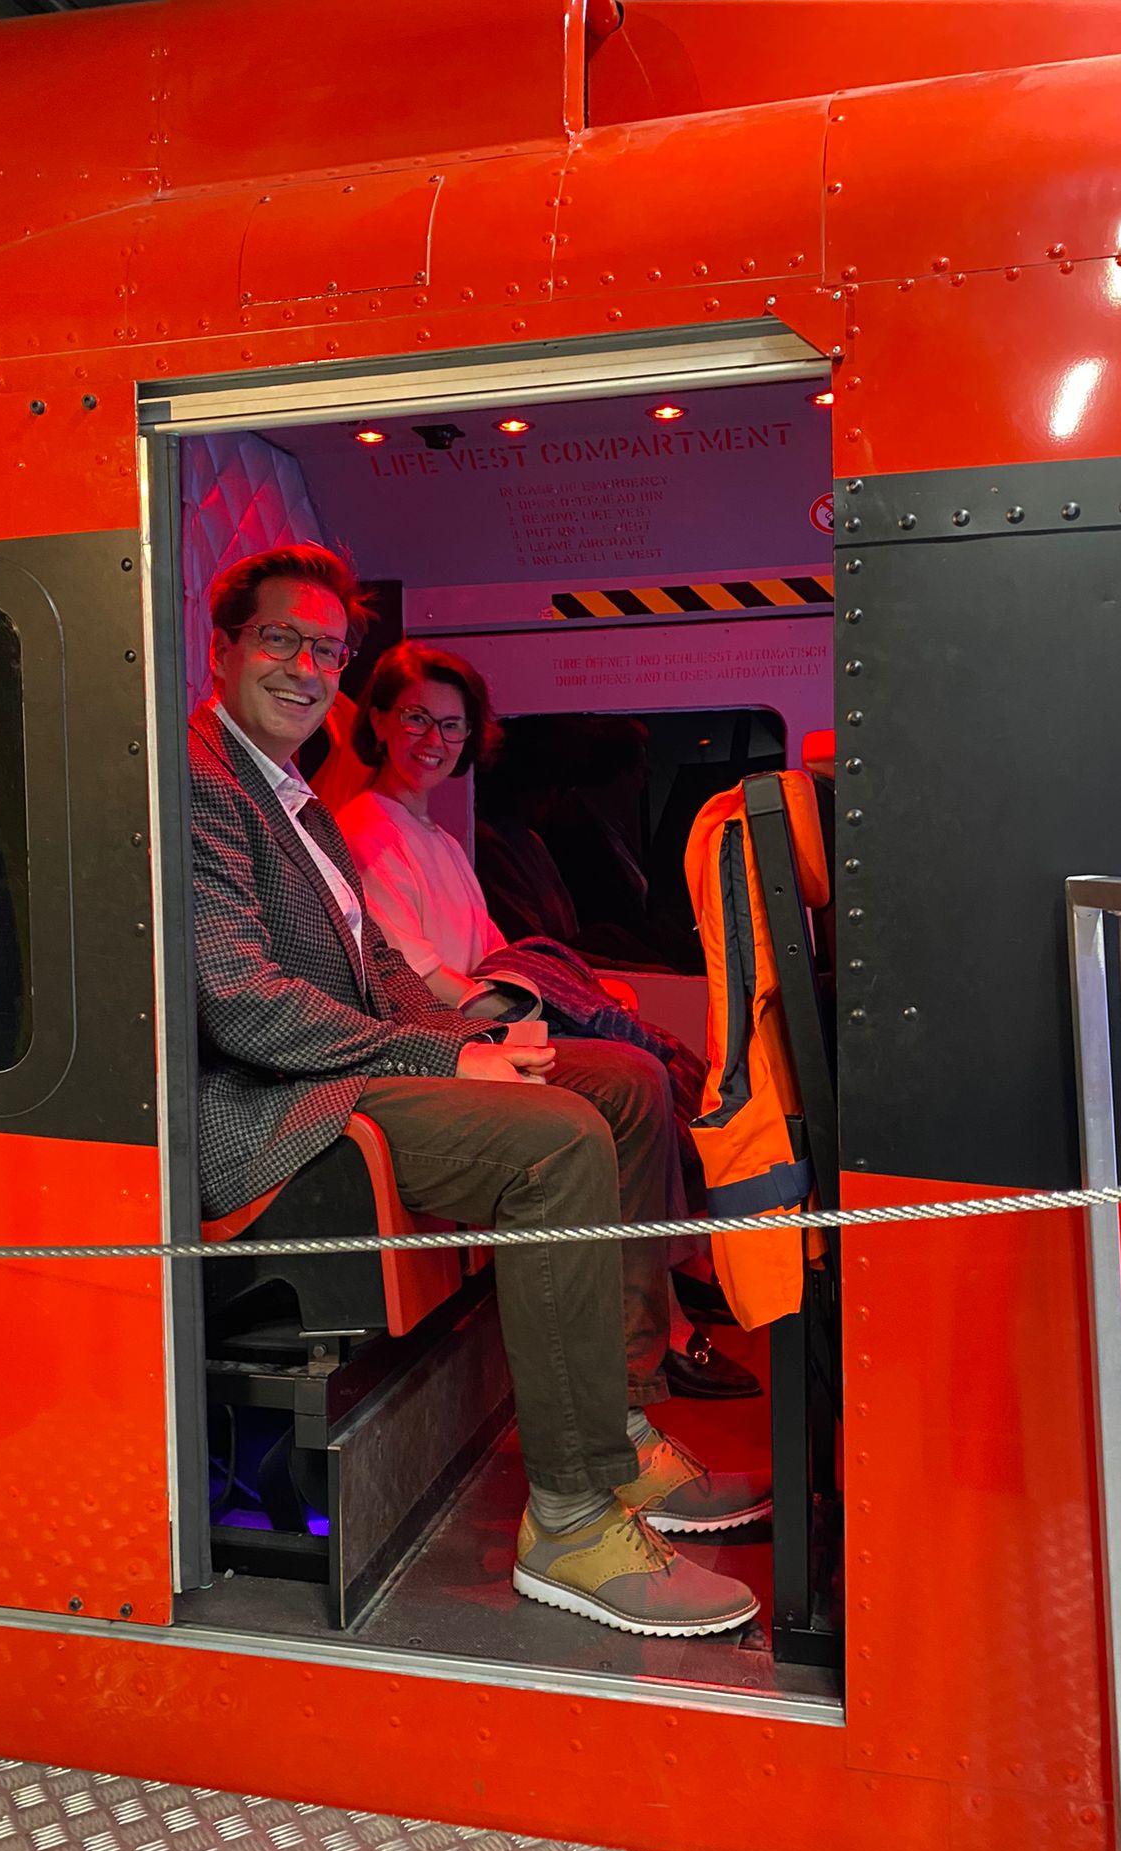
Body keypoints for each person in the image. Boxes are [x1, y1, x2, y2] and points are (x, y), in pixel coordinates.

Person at [190, 544, 766, 1638]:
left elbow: (384, 971)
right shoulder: (203, 784)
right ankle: (572, 1519)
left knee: (628, 1081)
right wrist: (449, 1060)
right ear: (222, 649)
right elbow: (244, 1004)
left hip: (349, 1069)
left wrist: (481, 1037)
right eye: (280, 640)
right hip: (273, 1104)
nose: (306, 668)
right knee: (557, 1138)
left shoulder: (299, 798)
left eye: (327, 650)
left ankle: (620, 1422)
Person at [336, 640, 762, 1402]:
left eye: (452, 726)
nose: (434, 740)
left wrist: (585, 993)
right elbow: (422, 982)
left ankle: (676, 1267)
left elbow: (496, 952)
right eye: (415, 719)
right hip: (450, 1045)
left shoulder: (436, 837)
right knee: (633, 1078)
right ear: (378, 721)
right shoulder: (368, 831)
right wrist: (532, 1024)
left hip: (485, 1022)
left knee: (659, 1058)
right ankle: (655, 1330)